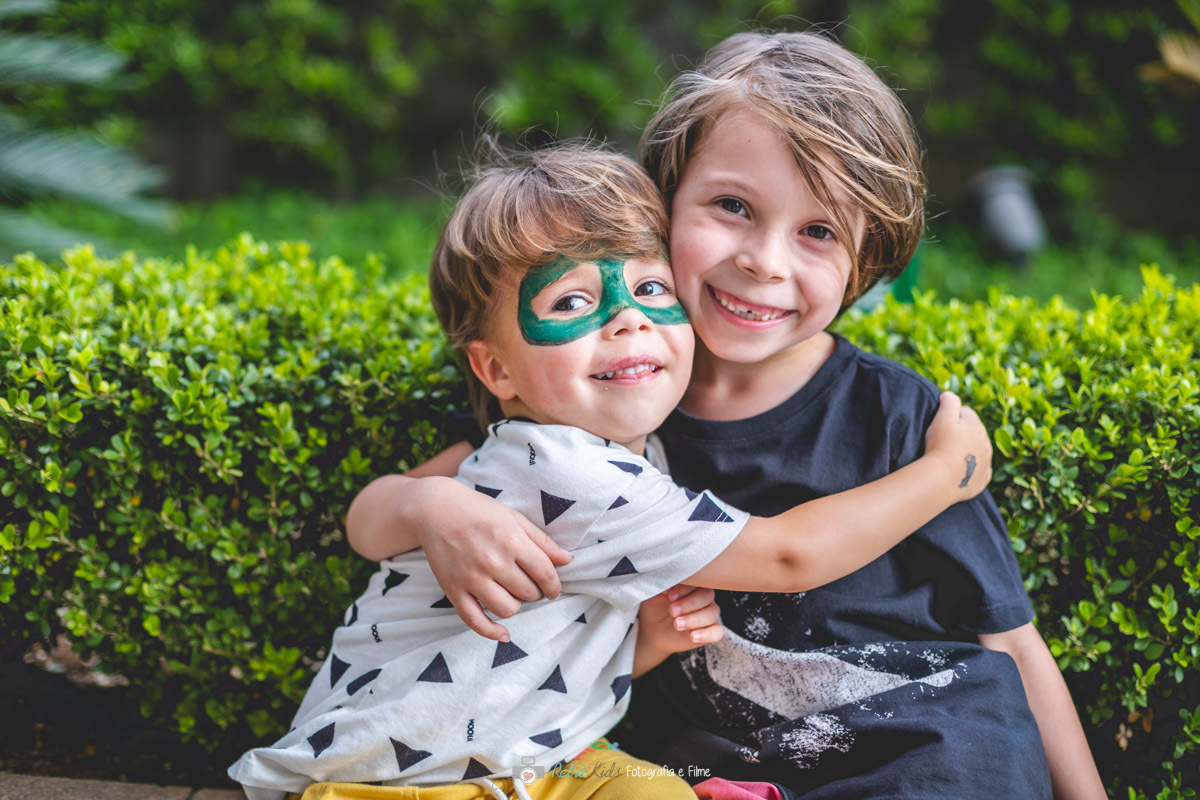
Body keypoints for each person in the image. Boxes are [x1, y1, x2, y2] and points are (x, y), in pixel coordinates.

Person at [343, 31, 1106, 800]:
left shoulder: (901, 418)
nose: (765, 262)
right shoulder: (597, 394)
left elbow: (1005, 634)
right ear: (666, 200)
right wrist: (430, 506)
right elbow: (389, 509)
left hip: (928, 756)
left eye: (818, 231)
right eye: (732, 207)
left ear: (867, 258)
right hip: (717, 775)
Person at [230, 143, 995, 800]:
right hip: (396, 782)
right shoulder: (565, 467)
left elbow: (519, 647)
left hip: (537, 765)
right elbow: (790, 554)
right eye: (572, 301)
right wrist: (945, 472)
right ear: (496, 366)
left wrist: (645, 645)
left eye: (651, 289)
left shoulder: (613, 455)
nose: (627, 318)